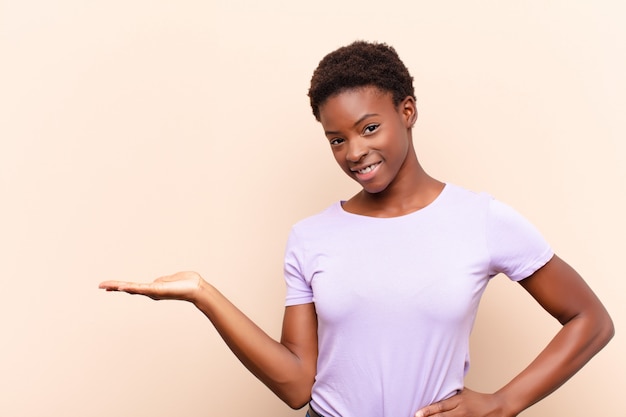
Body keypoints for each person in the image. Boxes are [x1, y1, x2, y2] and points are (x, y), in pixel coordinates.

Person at [99, 41, 614, 417]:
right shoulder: (311, 237)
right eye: (336, 139)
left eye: (369, 127)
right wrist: (203, 293)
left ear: (407, 111)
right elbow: (298, 383)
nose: (354, 152)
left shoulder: (481, 220)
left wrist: (504, 402)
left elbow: (590, 320)